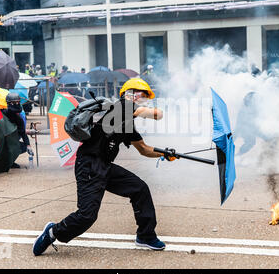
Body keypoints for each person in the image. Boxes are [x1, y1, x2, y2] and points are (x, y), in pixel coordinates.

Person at [32, 78, 176, 256]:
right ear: (131, 93)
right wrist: (158, 112)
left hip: (105, 166)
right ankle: (53, 232)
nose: (144, 99)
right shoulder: (122, 106)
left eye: (146, 96)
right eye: (143, 95)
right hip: (89, 165)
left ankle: (145, 236)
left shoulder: (126, 122)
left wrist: (165, 154)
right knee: (87, 216)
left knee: (139, 189)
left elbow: (144, 149)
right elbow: (156, 114)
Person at [2, 93, 33, 168]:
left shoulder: (19, 119)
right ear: (9, 103)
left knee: (24, 147)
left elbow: (23, 133)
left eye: (18, 102)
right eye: (14, 102)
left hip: (11, 141)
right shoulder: (2, 114)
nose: (16, 104)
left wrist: (28, 145)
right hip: (0, 142)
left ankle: (10, 161)